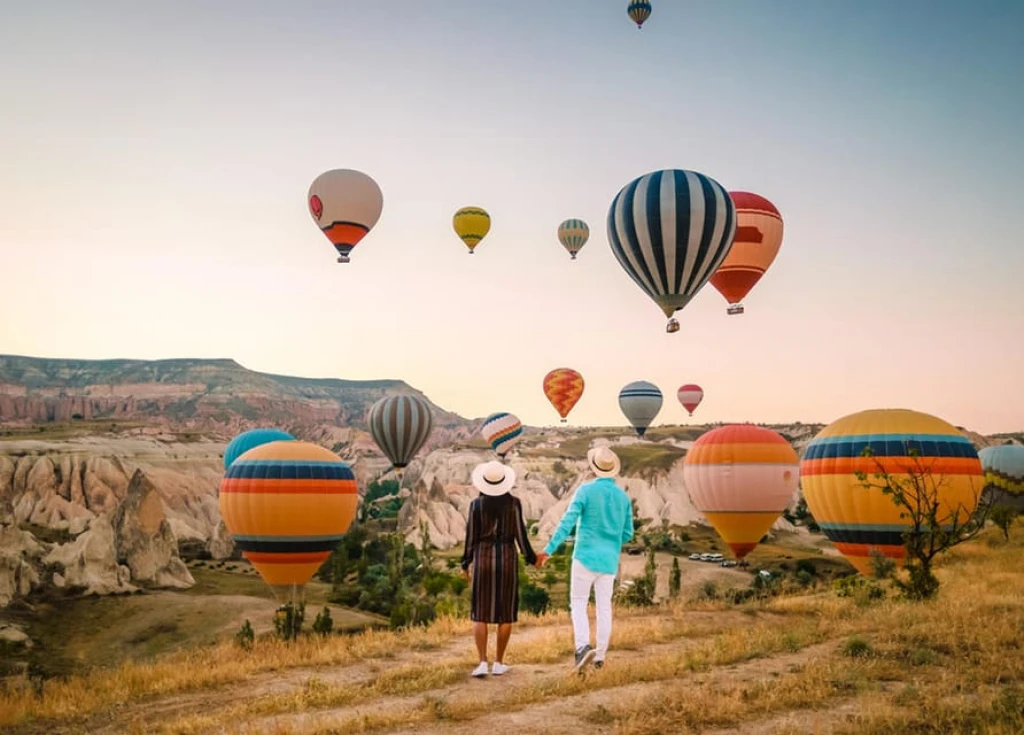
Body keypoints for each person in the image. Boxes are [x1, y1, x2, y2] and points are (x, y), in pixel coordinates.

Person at [537, 446, 633, 673]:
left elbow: (567, 523)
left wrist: (548, 550)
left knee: (578, 603)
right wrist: (611, 539)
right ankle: (600, 655)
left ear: (594, 467)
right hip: (609, 562)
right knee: (604, 608)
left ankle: (582, 648)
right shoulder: (623, 498)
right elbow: (628, 533)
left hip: (584, 557)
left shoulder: (585, 491)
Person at [461, 460, 538, 678]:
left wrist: (465, 563)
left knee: (480, 613)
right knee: (505, 614)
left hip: (482, 559)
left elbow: (470, 538)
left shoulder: (476, 505)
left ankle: (482, 663)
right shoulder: (514, 504)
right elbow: (521, 537)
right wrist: (532, 559)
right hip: (506, 559)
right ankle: (499, 663)